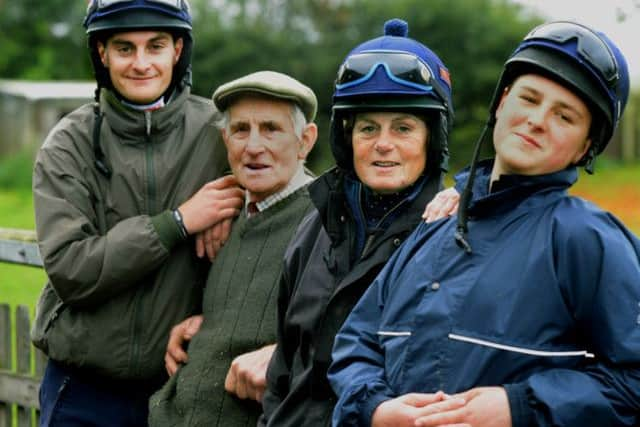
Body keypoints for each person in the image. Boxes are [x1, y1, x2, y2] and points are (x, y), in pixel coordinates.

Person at [328, 20, 640, 427]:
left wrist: (520, 407)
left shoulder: (588, 240)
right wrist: (377, 408)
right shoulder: (436, 225)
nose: (537, 120)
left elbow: (632, 381)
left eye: (565, 116)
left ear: (584, 148)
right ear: (502, 102)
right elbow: (356, 344)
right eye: (528, 99)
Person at [31, 1, 244, 426]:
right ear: (102, 54)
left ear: (178, 51)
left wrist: (237, 200)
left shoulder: (224, 134)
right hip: (83, 393)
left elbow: (292, 195)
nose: (141, 63)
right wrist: (179, 222)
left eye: (156, 46)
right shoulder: (67, 146)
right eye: (125, 48)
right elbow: (72, 269)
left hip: (183, 390)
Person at [260, 18, 457, 427]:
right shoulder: (312, 228)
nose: (383, 143)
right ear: (347, 139)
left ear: (432, 139)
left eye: (403, 127)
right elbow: (282, 368)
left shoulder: (452, 233)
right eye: (368, 127)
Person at [148, 70, 319, 426]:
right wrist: (207, 325)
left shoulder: (326, 222)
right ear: (225, 140)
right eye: (241, 130)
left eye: (271, 129)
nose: (253, 146)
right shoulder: (230, 215)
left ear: (305, 141)